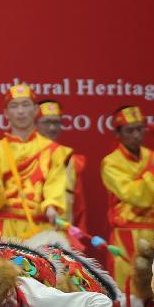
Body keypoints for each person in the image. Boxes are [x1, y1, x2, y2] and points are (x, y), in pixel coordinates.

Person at [0, 84, 67, 239]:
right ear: (6, 113)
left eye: (25, 105)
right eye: (14, 106)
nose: (20, 111)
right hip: (4, 226)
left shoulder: (53, 150)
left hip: (40, 227)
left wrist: (52, 206)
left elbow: (56, 184)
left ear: (36, 110)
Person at [100, 105, 154, 291]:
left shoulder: (153, 157)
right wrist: (153, 174)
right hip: (126, 236)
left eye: (140, 128)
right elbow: (134, 195)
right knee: (129, 293)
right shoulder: (111, 162)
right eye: (129, 130)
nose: (136, 135)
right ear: (118, 133)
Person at [36, 99, 87, 231]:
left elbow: (78, 205)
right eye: (46, 122)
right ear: (35, 124)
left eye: (56, 122)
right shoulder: (25, 156)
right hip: (30, 232)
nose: (52, 128)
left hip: (61, 234)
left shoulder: (69, 158)